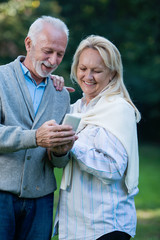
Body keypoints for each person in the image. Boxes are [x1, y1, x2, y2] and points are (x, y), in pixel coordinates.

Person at [53, 35, 141, 240]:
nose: (88, 76)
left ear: (112, 74)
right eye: (83, 68)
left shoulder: (118, 109)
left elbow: (114, 168)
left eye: (97, 70)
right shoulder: (76, 110)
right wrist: (52, 93)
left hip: (105, 226)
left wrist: (73, 144)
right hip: (77, 224)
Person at [0, 16, 77, 240]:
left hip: (41, 201)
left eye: (60, 54)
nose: (53, 60)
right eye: (48, 51)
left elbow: (59, 162)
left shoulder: (61, 94)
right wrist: (35, 137)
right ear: (28, 43)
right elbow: (36, 138)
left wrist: (61, 151)